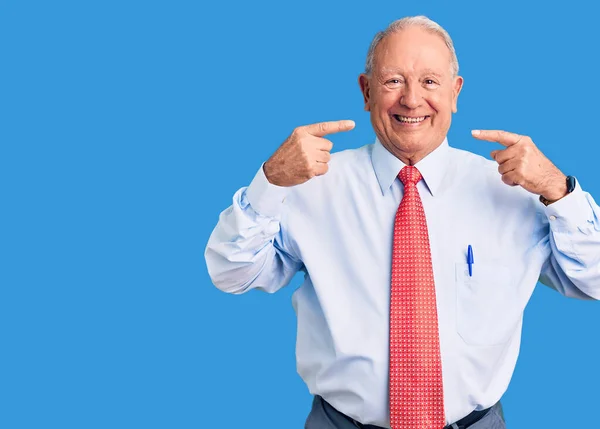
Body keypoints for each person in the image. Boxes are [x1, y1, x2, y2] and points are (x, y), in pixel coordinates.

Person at [204, 15, 600, 429]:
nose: (412, 100)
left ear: (455, 92)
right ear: (366, 90)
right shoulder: (310, 187)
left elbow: (595, 280)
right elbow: (232, 274)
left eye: (430, 81)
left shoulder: (514, 189)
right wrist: (270, 181)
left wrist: (559, 190)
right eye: (394, 80)